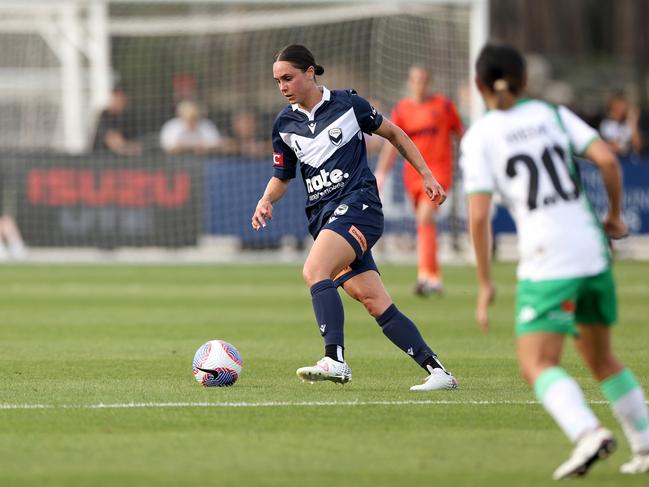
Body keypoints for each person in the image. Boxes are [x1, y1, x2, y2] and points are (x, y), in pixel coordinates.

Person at [461, 44, 649, 479]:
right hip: (592, 250)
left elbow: (478, 215)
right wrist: (615, 216)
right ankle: (643, 444)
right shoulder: (552, 114)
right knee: (603, 359)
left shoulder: (480, 138)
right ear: (525, 81)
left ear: (479, 86)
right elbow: (606, 159)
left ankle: (587, 433)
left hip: (548, 260)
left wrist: (485, 282)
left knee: (537, 364)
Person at [251, 44, 458, 391]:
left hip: (359, 207)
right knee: (374, 301)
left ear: (310, 73)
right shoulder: (284, 123)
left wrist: (425, 174)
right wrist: (266, 199)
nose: (282, 86)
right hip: (325, 219)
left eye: (288, 77)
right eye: (277, 81)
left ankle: (335, 359)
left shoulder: (348, 104)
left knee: (315, 271)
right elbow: (283, 175)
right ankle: (439, 372)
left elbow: (394, 132)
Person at [374, 65, 463, 296]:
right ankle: (434, 277)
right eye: (415, 80)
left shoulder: (444, 106)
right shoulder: (402, 109)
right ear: (409, 82)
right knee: (425, 223)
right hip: (413, 176)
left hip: (439, 172)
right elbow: (392, 143)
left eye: (423, 79)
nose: (419, 84)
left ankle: (425, 276)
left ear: (429, 82)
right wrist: (381, 174)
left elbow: (461, 135)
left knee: (425, 216)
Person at [92, 86, 143, 156]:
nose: (123, 102)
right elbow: (114, 143)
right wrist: (131, 148)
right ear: (113, 98)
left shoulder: (127, 117)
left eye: (124, 100)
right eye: (120, 99)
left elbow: (137, 142)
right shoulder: (105, 115)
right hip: (101, 160)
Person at [599, 92, 644, 157]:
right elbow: (614, 147)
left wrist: (632, 122)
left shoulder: (629, 123)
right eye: (617, 108)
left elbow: (638, 147)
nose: (620, 110)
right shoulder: (606, 125)